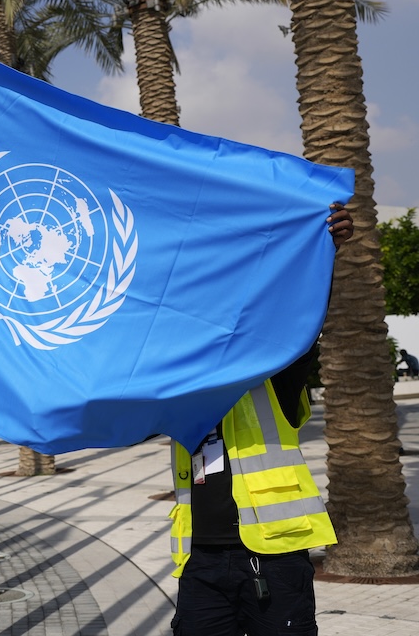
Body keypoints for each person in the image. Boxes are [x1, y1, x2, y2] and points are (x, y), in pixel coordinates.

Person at [168, 202, 353, 636]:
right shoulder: (179, 390)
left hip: (274, 557)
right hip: (200, 562)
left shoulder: (273, 382)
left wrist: (325, 255)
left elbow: (304, 329)